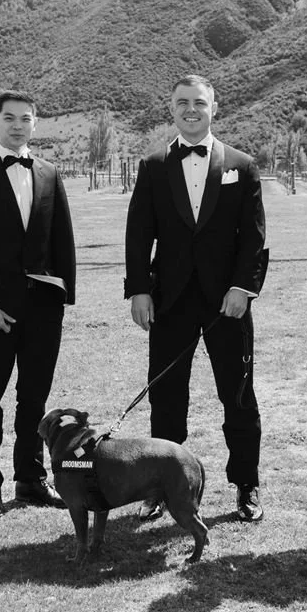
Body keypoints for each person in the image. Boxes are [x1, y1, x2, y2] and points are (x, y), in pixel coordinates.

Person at [124, 74, 268, 520]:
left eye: (199, 103)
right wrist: (139, 291)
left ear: (214, 107)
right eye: (182, 102)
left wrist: (242, 289)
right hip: (169, 302)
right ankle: (164, 487)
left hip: (228, 302)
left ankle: (246, 484)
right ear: (171, 108)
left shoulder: (241, 166)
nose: (191, 110)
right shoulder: (151, 166)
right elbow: (137, 235)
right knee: (167, 397)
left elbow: (255, 238)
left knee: (237, 395)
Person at [0, 91, 77, 517]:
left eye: (26, 118)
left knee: (34, 399)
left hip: (42, 311)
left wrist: (62, 299)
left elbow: (63, 240)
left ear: (35, 124)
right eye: (9, 118)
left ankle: (30, 479)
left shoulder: (49, 173)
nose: (18, 125)